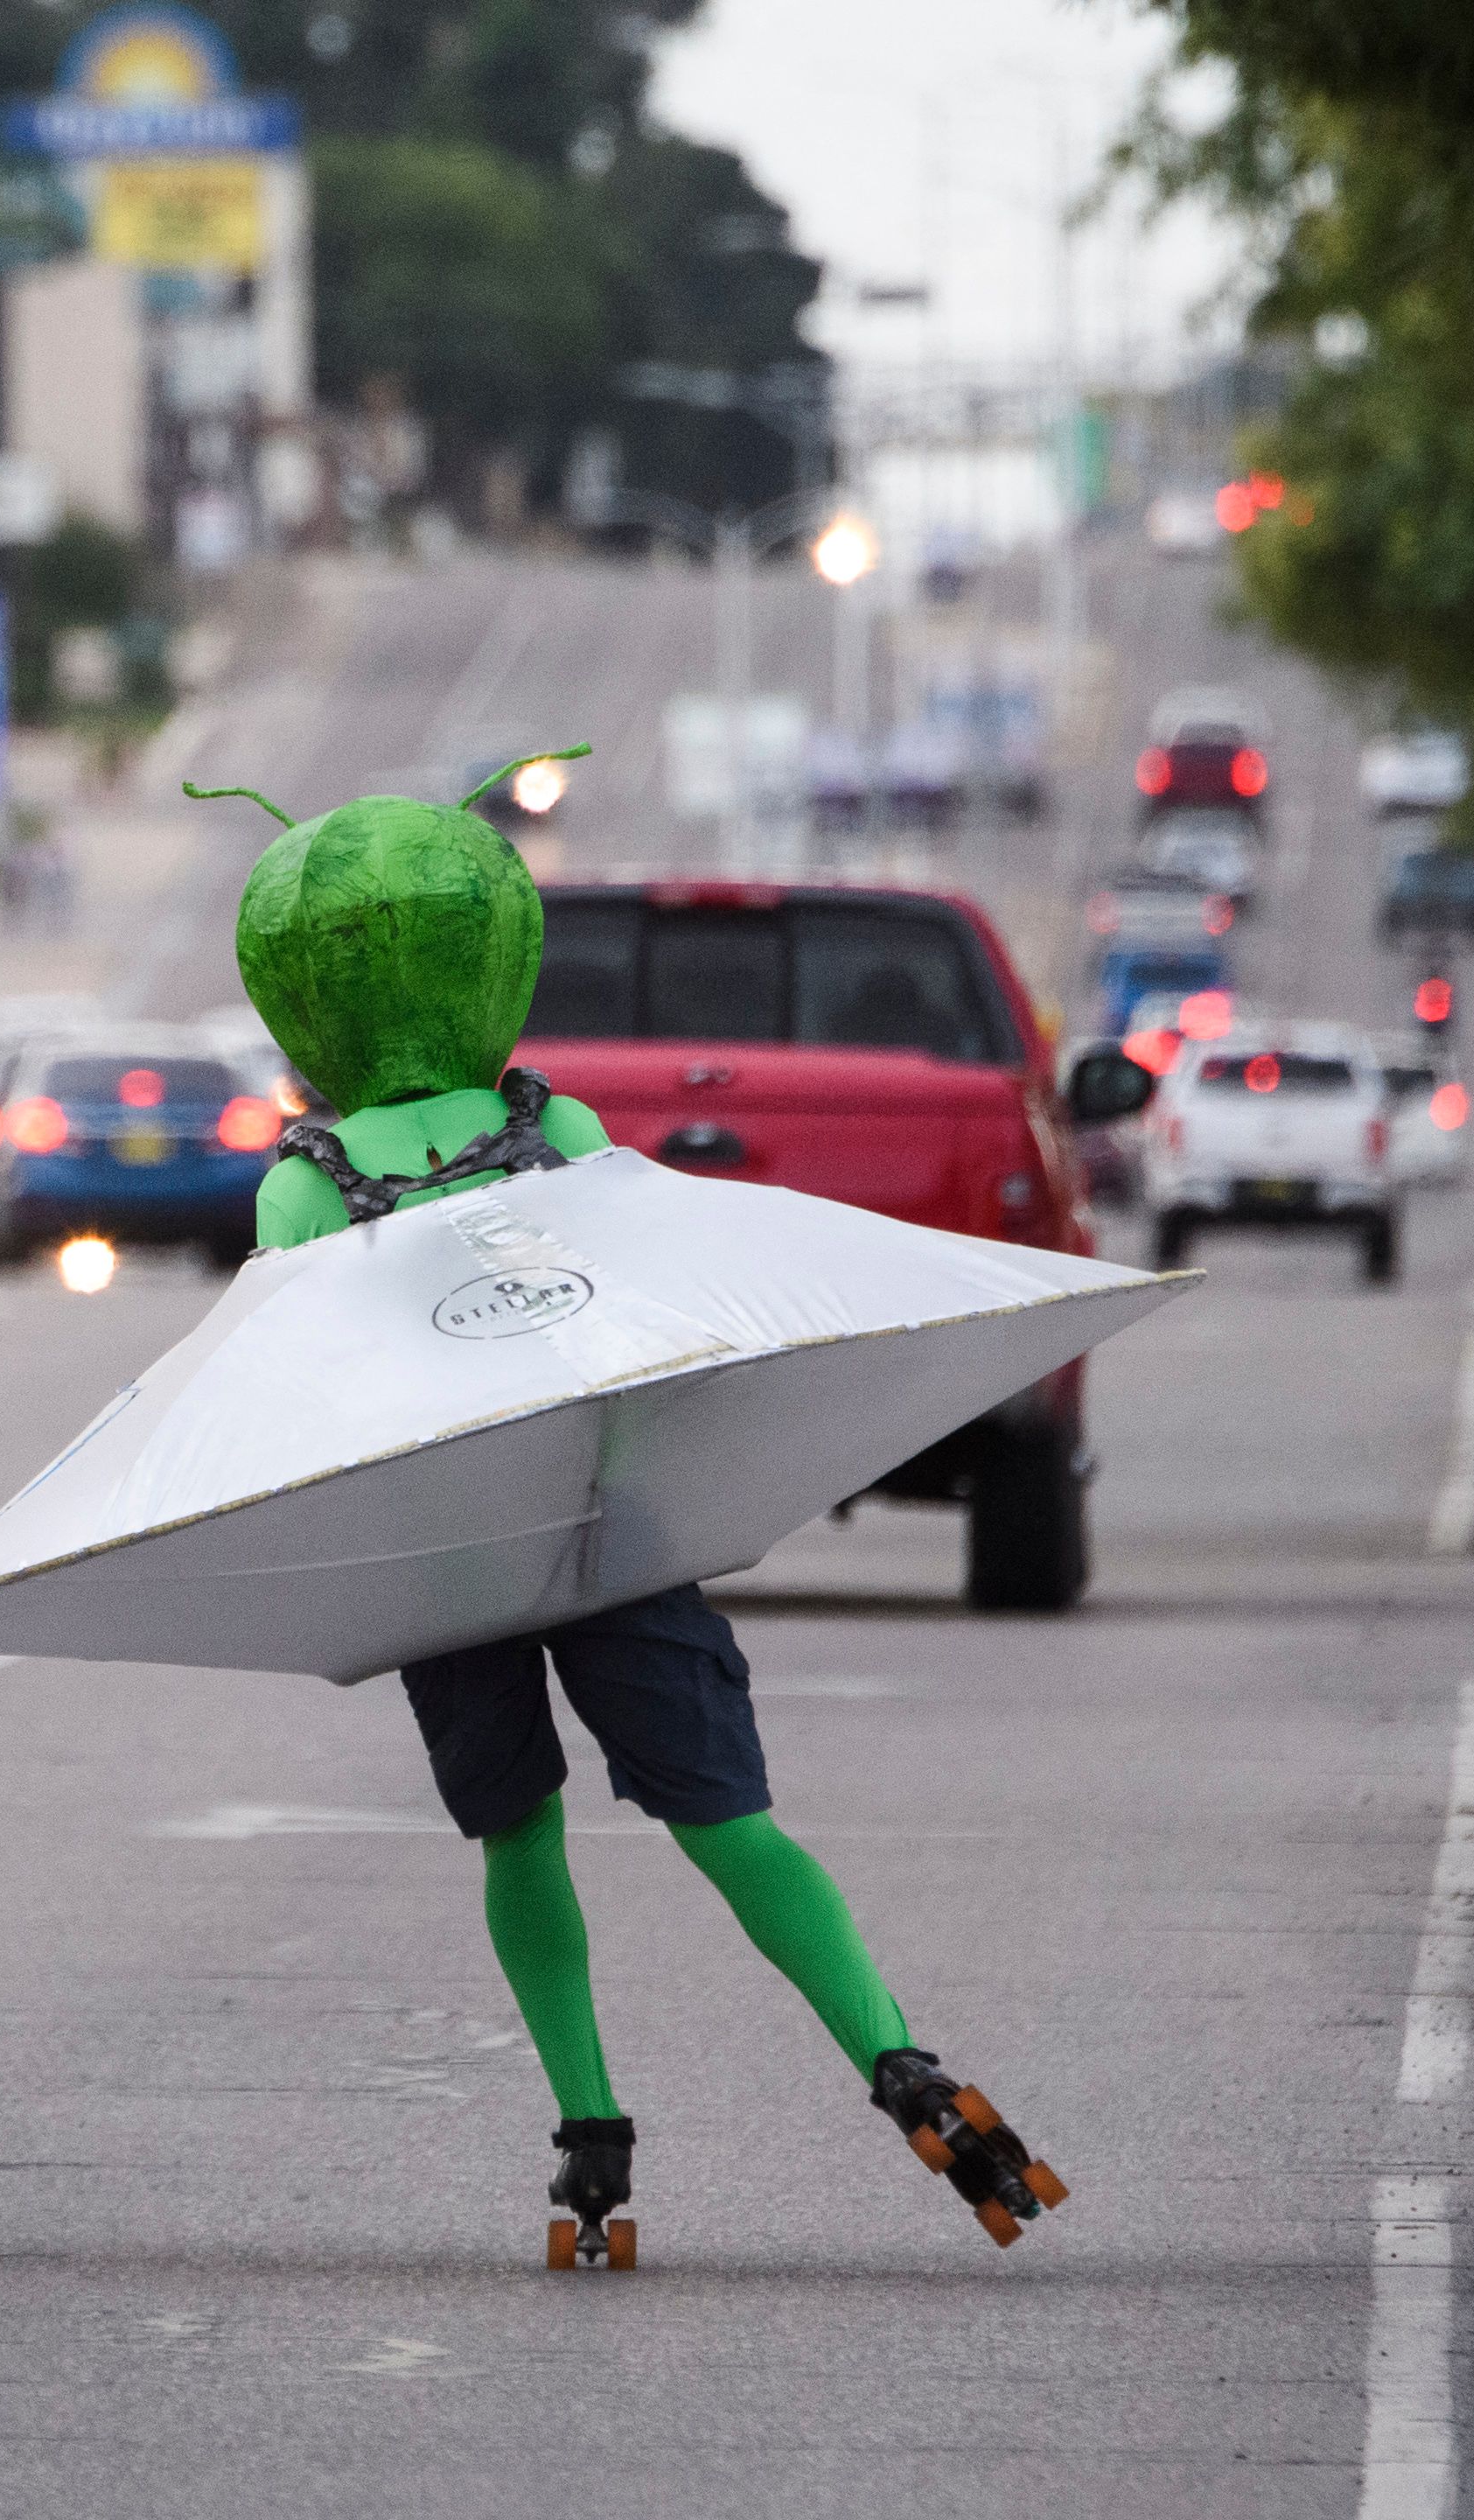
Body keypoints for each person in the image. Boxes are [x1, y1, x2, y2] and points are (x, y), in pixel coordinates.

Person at [202, 755, 1067, 2262]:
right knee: (728, 1822)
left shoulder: (306, 1185)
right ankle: (902, 2063)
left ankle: (589, 2127)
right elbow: (664, 1312)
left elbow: (289, 1393)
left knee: (518, 1836)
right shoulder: (568, 1130)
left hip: (445, 1555)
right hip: (613, 1531)